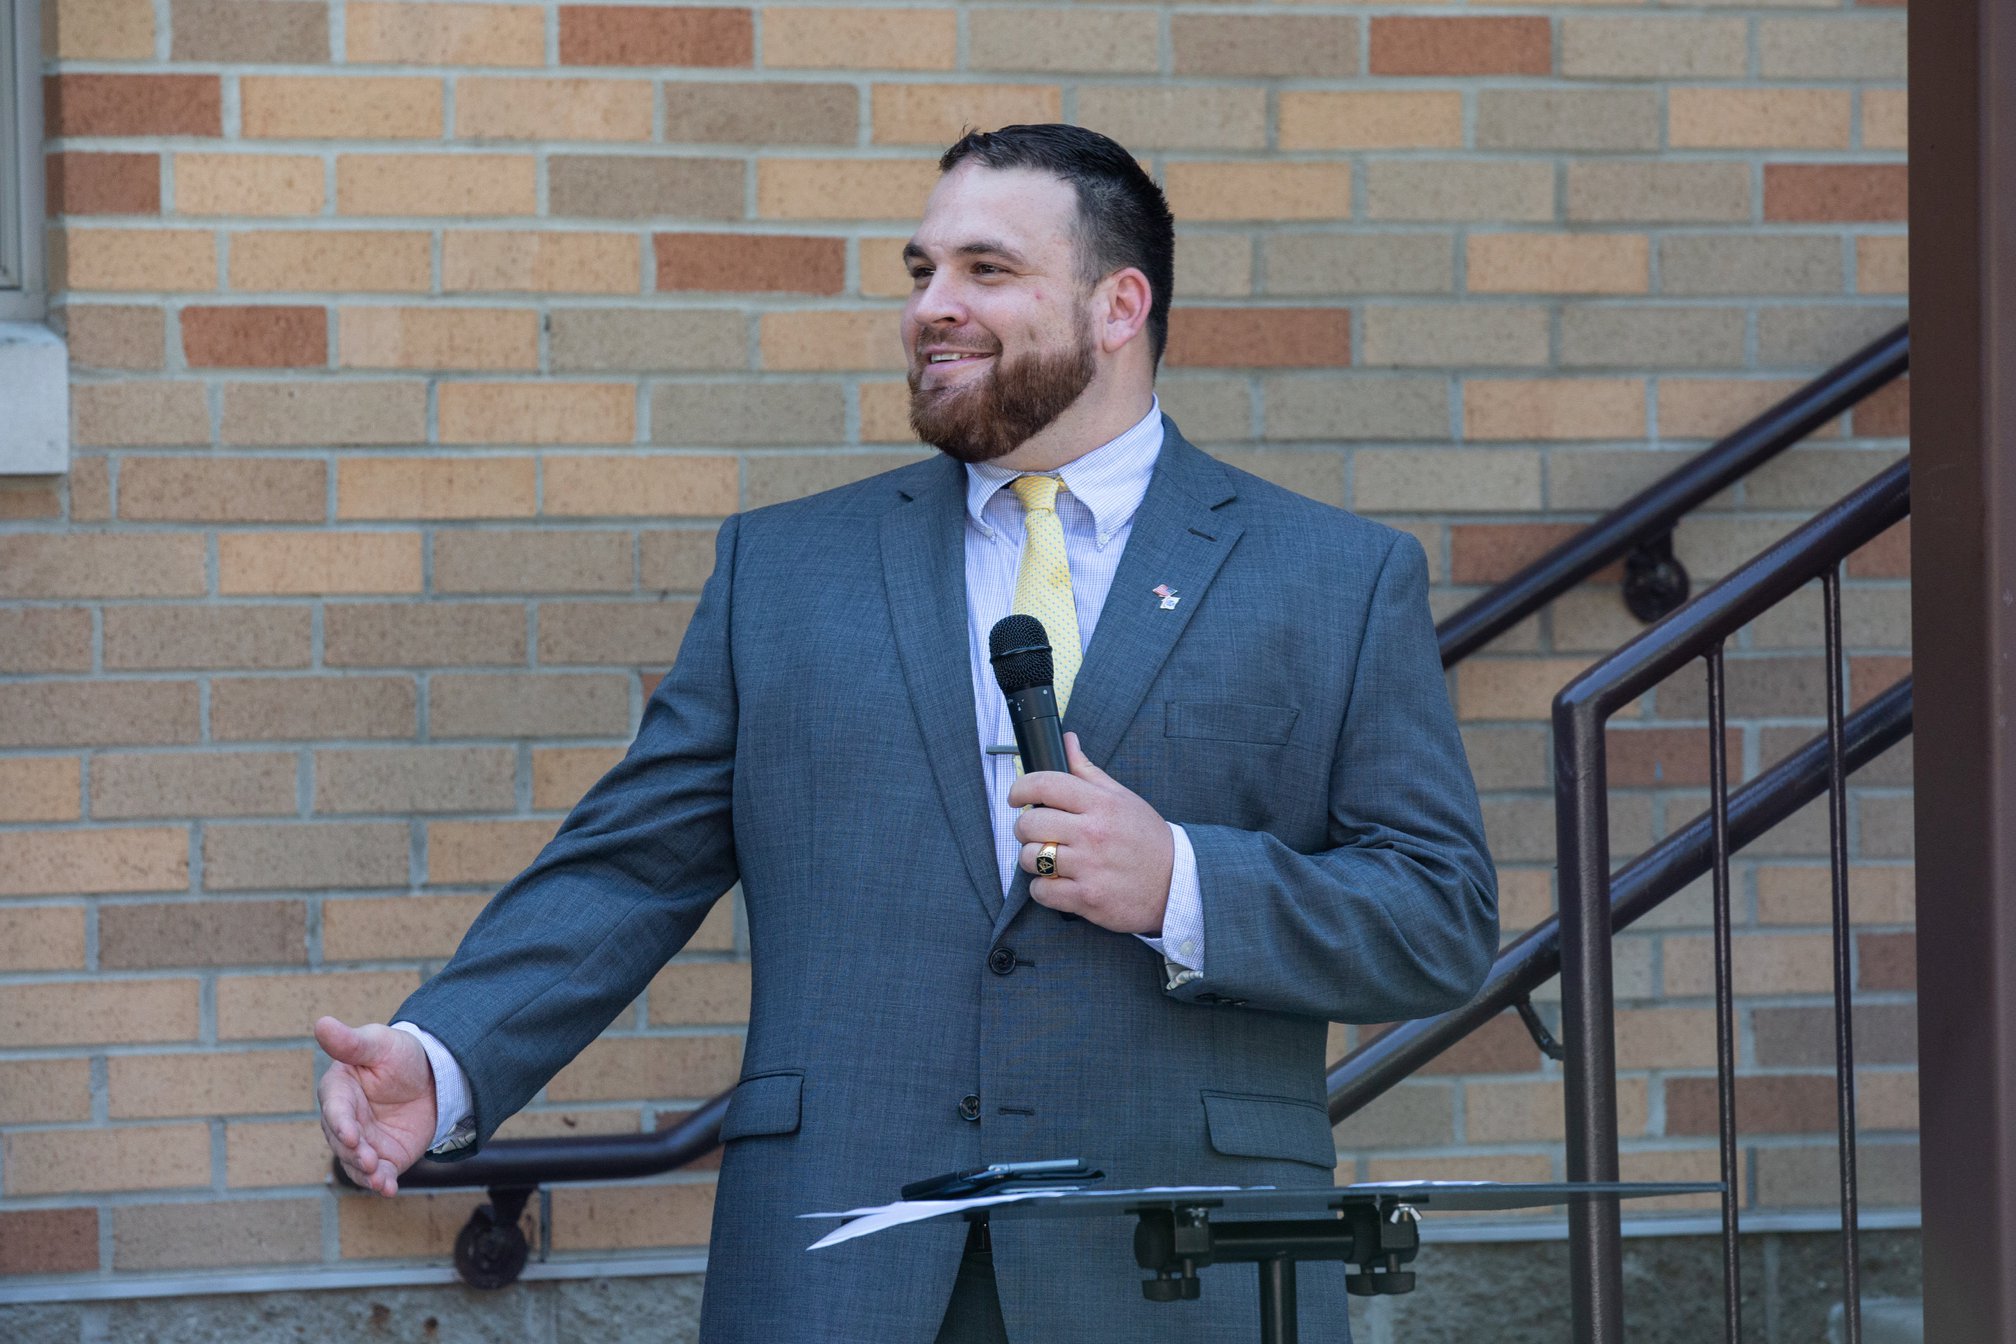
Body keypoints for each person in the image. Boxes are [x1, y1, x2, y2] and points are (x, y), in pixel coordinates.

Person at [316, 124, 1497, 1343]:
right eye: (921, 272)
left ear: (1117, 305)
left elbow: (1440, 917)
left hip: (1182, 1271)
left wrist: (1181, 885)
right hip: (842, 1257)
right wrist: (447, 1056)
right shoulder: (784, 569)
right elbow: (630, 866)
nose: (933, 306)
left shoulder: (1333, 579)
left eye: (986, 271)